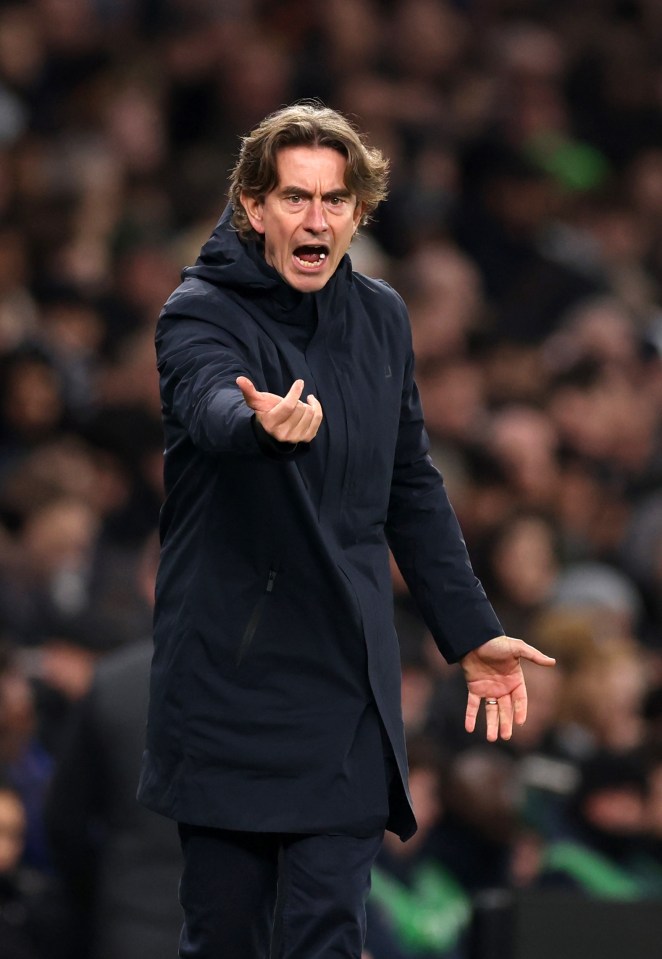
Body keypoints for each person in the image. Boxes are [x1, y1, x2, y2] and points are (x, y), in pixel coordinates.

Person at [137, 101, 555, 959]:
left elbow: (410, 485)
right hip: (230, 681)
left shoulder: (383, 318)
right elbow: (208, 399)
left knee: (330, 934)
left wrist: (471, 632)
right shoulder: (198, 311)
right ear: (254, 207)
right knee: (225, 937)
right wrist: (257, 425)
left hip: (344, 685)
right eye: (294, 198)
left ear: (360, 212)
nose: (315, 219)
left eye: (334, 200)